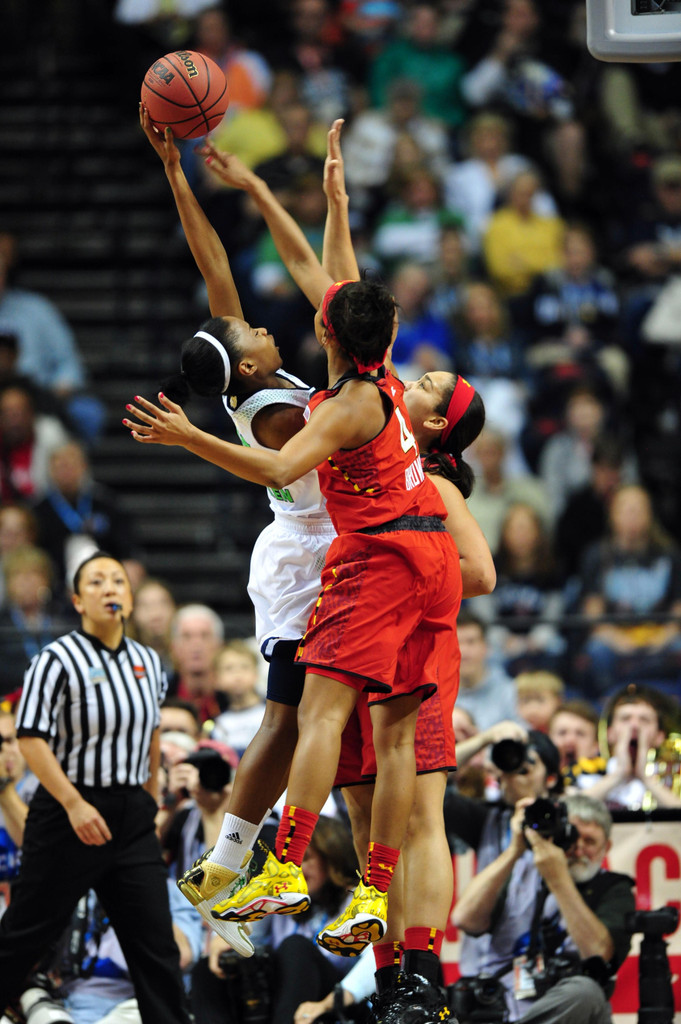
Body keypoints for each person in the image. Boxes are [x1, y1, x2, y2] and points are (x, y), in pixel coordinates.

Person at [125, 133, 464, 962]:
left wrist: (180, 177)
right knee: (292, 719)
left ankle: (299, 876)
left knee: (334, 731)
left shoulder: (305, 384)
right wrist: (191, 437)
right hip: (318, 555)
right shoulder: (293, 408)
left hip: (358, 551)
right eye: (250, 333)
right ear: (245, 369)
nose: (259, 324)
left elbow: (222, 267)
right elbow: (280, 462)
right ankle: (237, 863)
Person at [0, 551, 191, 1024]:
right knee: (26, 933)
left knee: (156, 945)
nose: (109, 589)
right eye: (96, 582)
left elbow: (151, 733)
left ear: (130, 596)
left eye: (118, 581)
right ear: (77, 601)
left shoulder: (149, 661)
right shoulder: (56, 659)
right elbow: (31, 737)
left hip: (131, 815)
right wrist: (74, 803)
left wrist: (150, 795)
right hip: (68, 810)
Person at [452, 792, 635, 1024]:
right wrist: (514, 850)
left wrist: (558, 879)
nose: (578, 850)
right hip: (501, 1005)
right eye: (571, 836)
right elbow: (464, 919)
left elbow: (599, 955)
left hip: (567, 1011)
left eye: (590, 841)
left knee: (586, 992)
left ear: (606, 847)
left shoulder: (615, 888)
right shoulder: (520, 873)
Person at [191, 815, 360, 1024]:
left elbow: (372, 965)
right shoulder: (283, 896)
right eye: (288, 863)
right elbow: (248, 929)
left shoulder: (355, 900)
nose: (295, 870)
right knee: (213, 966)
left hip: (337, 1002)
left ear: (331, 858)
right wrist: (223, 938)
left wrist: (327, 1004)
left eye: (304, 859)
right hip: (285, 1000)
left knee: (296, 947)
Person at [576, 684, 681, 811]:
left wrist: (645, 778)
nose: (634, 726)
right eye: (625, 719)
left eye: (644, 720)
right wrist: (618, 775)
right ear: (609, 733)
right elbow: (571, 810)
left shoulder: (674, 775)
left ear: (659, 736)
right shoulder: (585, 772)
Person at [0, 708, 39, 919]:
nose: (5, 750)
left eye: (9, 740)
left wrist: (3, 786)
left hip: (33, 908)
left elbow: (35, 841)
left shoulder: (43, 788)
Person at [454, 609, 519, 732]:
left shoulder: (510, 692)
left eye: (471, 642)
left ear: (486, 647)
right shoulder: (434, 696)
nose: (463, 651)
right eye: (456, 643)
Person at [169, 603, 224, 721]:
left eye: (205, 636)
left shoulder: (235, 699)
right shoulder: (160, 698)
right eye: (187, 636)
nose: (196, 644)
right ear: (174, 648)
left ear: (219, 645)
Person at [210, 639, 267, 757]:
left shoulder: (270, 713)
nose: (237, 675)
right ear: (216, 679)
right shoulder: (218, 724)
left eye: (244, 667)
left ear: (256, 674)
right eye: (229, 668)